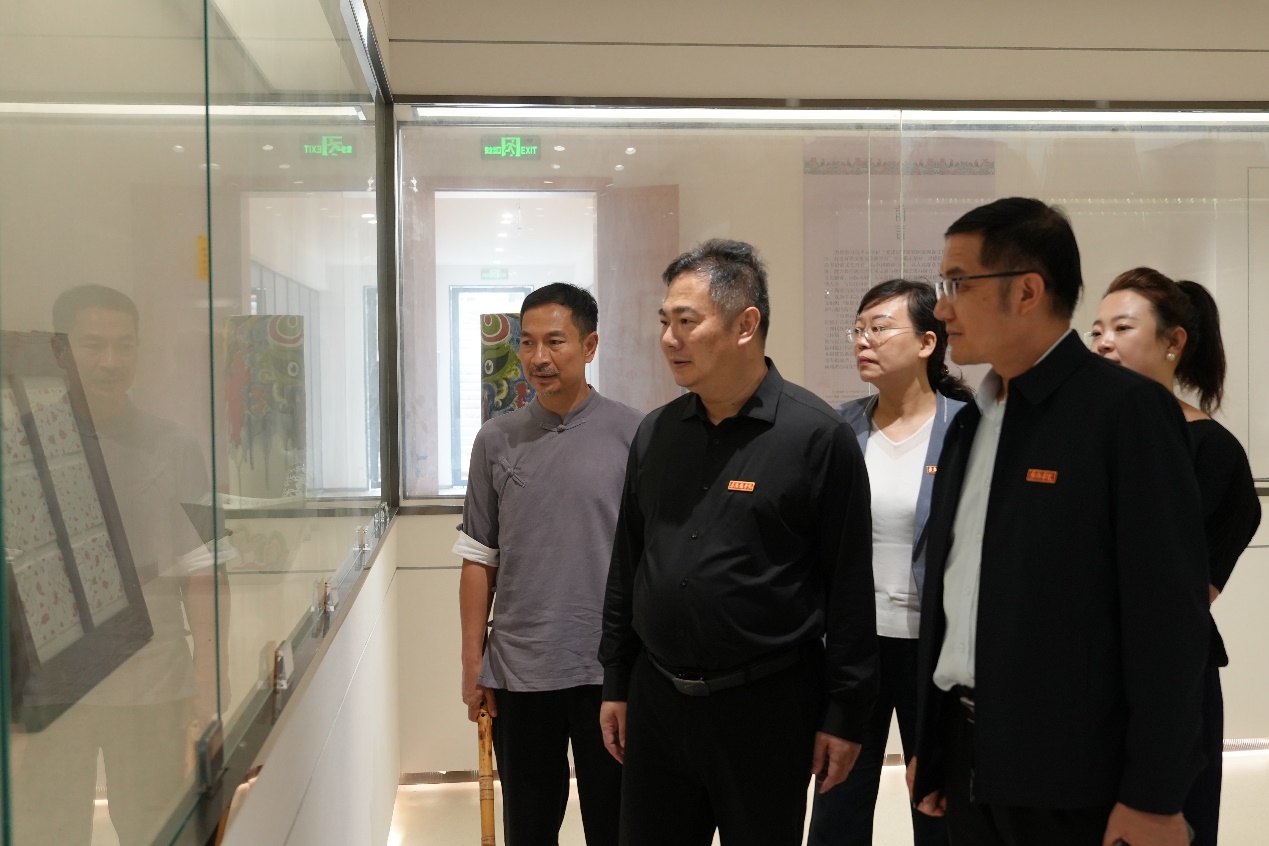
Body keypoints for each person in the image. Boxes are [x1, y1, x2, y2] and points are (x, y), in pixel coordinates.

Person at [906, 198, 1211, 846]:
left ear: (1026, 291)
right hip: (967, 756)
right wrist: (934, 747)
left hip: (1074, 775)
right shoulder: (970, 423)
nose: (941, 308)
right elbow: (952, 596)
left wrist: (1153, 796)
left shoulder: (1125, 413)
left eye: (956, 283)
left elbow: (1167, 621)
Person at [597, 239, 878, 846]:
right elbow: (629, 564)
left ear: (745, 325)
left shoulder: (817, 438)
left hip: (766, 708)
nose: (669, 339)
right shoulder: (657, 432)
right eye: (665, 322)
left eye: (686, 322)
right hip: (657, 699)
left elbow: (850, 588)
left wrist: (845, 713)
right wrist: (616, 680)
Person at [13, 284, 228, 845]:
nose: (111, 361)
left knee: (156, 827)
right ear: (61, 351)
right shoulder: (23, 445)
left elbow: (203, 571)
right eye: (94, 345)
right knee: (48, 832)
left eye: (124, 345)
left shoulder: (175, 446)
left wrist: (209, 686)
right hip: (53, 688)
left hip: (152, 682)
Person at [456, 282, 642, 846]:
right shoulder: (496, 440)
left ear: (589, 346)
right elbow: (478, 557)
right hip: (520, 669)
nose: (539, 357)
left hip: (608, 669)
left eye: (555, 341)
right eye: (528, 342)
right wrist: (473, 663)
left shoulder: (635, 434)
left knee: (616, 824)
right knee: (529, 826)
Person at [1089, 268, 1261, 846]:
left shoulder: (1211, 451)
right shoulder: (1079, 437)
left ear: (1173, 342)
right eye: (1096, 330)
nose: (1103, 342)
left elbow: (1181, 596)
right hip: (1076, 679)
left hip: (1164, 683)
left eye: (1121, 328)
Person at [808, 279, 965, 846]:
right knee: (838, 800)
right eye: (858, 330)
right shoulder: (837, 429)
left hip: (935, 649)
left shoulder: (967, 428)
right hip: (854, 648)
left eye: (879, 328)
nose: (863, 341)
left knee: (939, 803)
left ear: (927, 342)